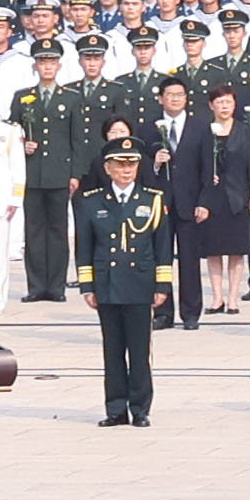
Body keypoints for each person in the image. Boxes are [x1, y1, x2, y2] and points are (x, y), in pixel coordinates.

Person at [77, 132, 172, 428]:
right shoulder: (92, 202)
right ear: (107, 168)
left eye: (131, 164)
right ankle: (115, 409)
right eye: (119, 164)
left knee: (140, 351)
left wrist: (162, 285)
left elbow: (163, 246)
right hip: (107, 284)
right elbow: (85, 247)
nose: (126, 169)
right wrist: (87, 286)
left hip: (139, 283)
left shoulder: (152, 200)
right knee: (113, 351)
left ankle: (140, 408)